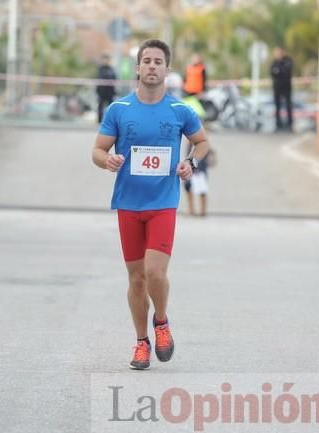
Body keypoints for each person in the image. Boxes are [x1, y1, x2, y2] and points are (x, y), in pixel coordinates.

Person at [92, 39, 210, 370]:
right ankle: (141, 342)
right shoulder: (119, 110)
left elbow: (201, 143)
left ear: (167, 69)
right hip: (129, 203)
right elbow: (97, 150)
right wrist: (109, 160)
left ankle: (162, 322)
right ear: (139, 68)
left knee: (155, 272)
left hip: (163, 202)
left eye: (159, 61)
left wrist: (191, 163)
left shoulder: (180, 110)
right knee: (136, 280)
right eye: (147, 61)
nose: (152, 66)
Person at [269, 47, 294, 131]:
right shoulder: (274, 62)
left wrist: (279, 71)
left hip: (286, 86)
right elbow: (272, 73)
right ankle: (278, 124)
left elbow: (287, 72)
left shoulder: (288, 61)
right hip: (277, 87)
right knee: (277, 106)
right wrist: (279, 71)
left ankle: (289, 124)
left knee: (288, 105)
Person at [183, 143, 211, 217]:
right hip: (191, 169)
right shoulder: (189, 144)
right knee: (188, 188)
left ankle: (203, 210)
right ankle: (191, 209)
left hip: (200, 170)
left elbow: (203, 157)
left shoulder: (203, 143)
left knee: (202, 191)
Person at [96, 54, 117, 124]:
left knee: (111, 107)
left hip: (110, 92)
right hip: (101, 91)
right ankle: (99, 121)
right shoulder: (100, 69)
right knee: (100, 106)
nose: (106, 61)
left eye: (107, 59)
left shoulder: (111, 69)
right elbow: (99, 78)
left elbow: (114, 78)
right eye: (104, 59)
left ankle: (111, 121)